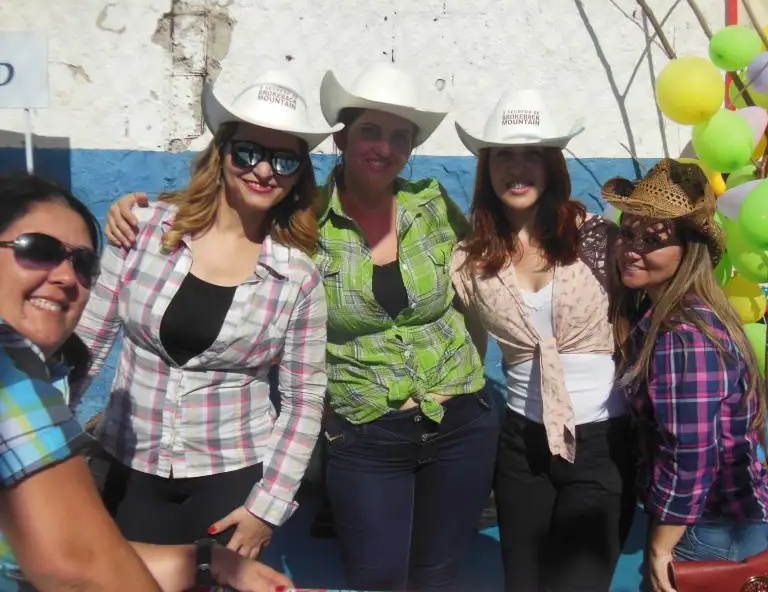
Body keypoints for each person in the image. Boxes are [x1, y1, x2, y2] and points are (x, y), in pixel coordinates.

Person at [104, 62, 499, 592]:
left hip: (461, 419)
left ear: (411, 148)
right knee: (377, 578)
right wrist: (142, 208)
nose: (384, 147)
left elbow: (477, 282)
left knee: (440, 574)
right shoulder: (302, 222)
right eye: (370, 130)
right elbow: (228, 221)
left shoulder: (430, 205)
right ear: (341, 138)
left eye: (400, 136)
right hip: (368, 428)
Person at [75, 69, 334, 557]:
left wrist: (268, 507)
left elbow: (304, 400)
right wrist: (36, 440)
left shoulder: (296, 276)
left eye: (285, 160)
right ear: (222, 153)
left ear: (300, 173)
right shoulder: (144, 231)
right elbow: (88, 342)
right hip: (129, 464)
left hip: (231, 477)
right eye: (248, 152)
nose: (264, 171)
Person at [0, 171, 293, 592]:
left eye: (83, 262)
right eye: (38, 250)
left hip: (230, 467)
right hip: (133, 463)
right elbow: (80, 566)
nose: (65, 276)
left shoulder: (294, 270)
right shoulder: (14, 382)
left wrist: (210, 560)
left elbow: (79, 556)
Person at [450, 89, 637, 592]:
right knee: (523, 584)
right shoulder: (470, 258)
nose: (517, 168)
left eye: (532, 154)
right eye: (504, 155)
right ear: (487, 168)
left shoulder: (598, 239)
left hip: (600, 441)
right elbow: (469, 352)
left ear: (552, 165)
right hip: (521, 447)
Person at [603, 159, 768, 592]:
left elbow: (691, 455)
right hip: (731, 525)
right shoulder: (680, 314)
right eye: (628, 233)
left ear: (688, 251)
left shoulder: (683, 337)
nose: (632, 249)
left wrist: (661, 547)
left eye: (653, 240)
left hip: (712, 533)